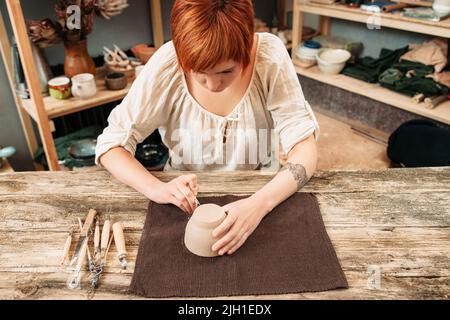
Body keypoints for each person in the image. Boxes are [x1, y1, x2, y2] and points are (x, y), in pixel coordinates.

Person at [95, 0, 320, 256]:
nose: (213, 84)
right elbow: (110, 146)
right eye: (199, 72)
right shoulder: (166, 62)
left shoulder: (269, 56)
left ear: (247, 48)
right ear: (181, 57)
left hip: (261, 189)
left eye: (226, 71)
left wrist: (260, 204)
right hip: (183, 199)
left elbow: (305, 147)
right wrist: (157, 188)